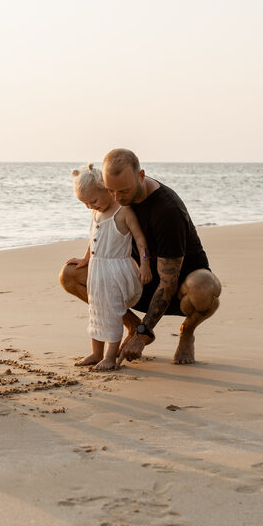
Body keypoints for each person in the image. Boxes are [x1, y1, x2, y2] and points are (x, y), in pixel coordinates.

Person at [60, 149, 221, 365]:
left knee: (205, 286)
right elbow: (101, 230)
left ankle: (186, 332)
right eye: (111, 190)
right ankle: (131, 324)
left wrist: (142, 337)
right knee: (70, 275)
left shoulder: (166, 210)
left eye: (123, 191)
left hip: (178, 289)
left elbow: (168, 282)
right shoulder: (116, 198)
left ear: (141, 176)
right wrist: (87, 258)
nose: (117, 198)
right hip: (137, 282)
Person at [68, 164, 152, 370]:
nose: (90, 207)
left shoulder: (123, 212)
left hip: (117, 270)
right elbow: (93, 239)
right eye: (85, 204)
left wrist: (145, 265)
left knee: (112, 312)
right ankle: (96, 353)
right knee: (96, 309)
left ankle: (110, 356)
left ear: (106, 188)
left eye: (93, 201)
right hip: (98, 270)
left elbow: (141, 240)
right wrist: (86, 259)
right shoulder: (96, 213)